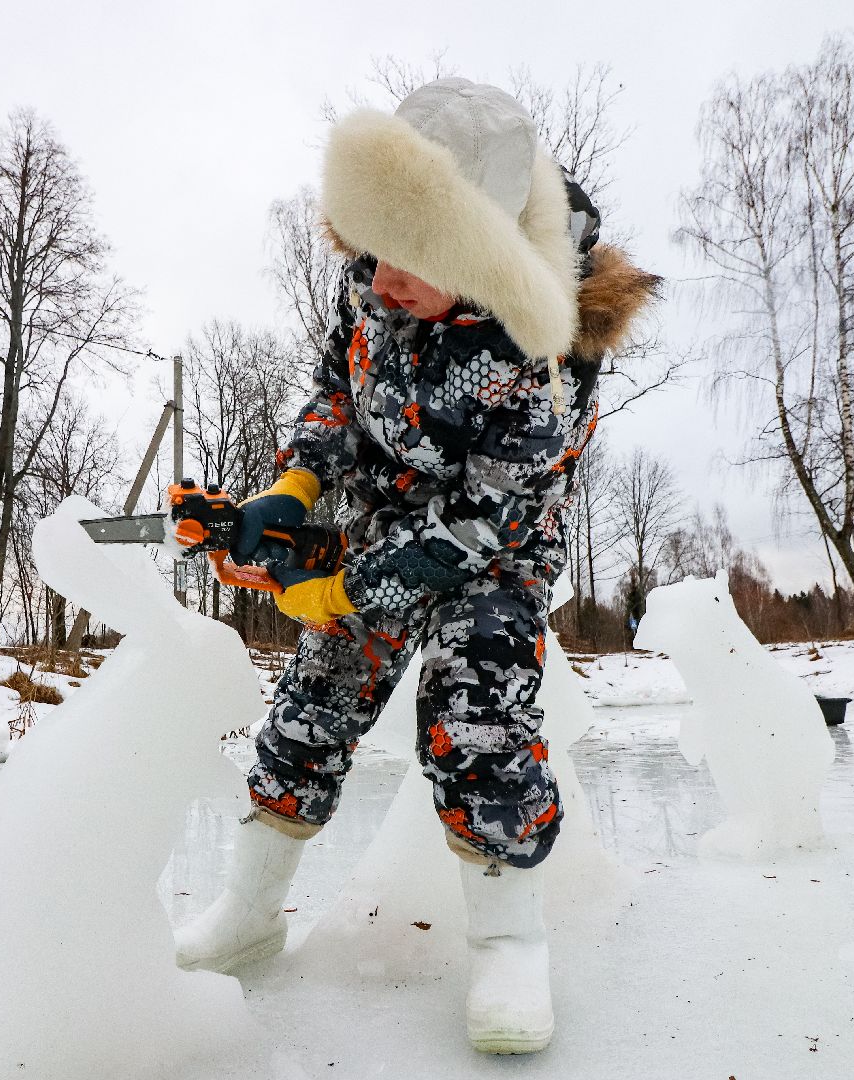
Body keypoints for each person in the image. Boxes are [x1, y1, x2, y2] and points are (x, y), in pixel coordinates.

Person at [174, 77, 658, 1055]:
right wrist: (295, 490)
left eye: (412, 260)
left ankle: (512, 944)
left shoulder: (545, 354)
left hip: (496, 551)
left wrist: (345, 585)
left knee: (476, 707)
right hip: (387, 514)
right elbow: (332, 394)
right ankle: (249, 909)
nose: (379, 278)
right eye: (374, 249)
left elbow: (480, 520)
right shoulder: (376, 276)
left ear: (479, 256)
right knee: (315, 695)